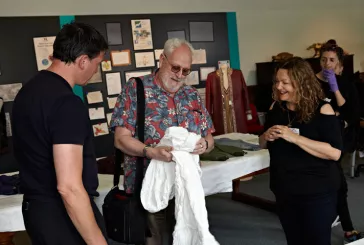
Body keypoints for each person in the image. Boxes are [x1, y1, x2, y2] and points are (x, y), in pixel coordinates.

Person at [110, 38, 215, 245]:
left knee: (189, 237)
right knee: (154, 241)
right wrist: (151, 152)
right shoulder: (136, 89)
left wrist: (205, 145)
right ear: (162, 59)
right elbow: (121, 140)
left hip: (184, 189)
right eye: (176, 68)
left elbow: (209, 137)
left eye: (186, 71)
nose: (179, 75)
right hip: (149, 186)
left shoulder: (192, 94)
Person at [12, 22, 109, 245]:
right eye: (97, 63)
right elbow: (69, 188)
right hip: (62, 217)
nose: (96, 70)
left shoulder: (27, 92)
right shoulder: (67, 104)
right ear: (83, 60)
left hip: (36, 212)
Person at [259, 57, 343, 245]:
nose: (279, 86)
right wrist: (266, 136)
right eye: (277, 81)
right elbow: (260, 143)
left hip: (316, 194)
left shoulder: (323, 110)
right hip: (284, 191)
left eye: (285, 82)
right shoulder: (276, 108)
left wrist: (294, 138)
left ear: (301, 83)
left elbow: (335, 153)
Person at [316, 41, 362, 244]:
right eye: (324, 59)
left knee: (337, 181)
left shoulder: (345, 84)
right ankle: (336, 219)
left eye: (332, 60)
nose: (327, 63)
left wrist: (335, 89)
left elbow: (352, 114)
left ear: (339, 63)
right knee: (325, 180)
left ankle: (347, 226)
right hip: (313, 137)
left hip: (337, 140)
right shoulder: (310, 82)